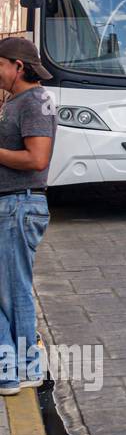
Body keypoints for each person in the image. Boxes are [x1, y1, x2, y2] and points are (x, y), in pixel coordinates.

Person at [0, 38, 56, 395]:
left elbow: (37, 160)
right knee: (6, 288)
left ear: (18, 66)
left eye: (0, 64)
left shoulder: (35, 102)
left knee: (13, 289)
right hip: (11, 205)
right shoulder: (16, 100)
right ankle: (11, 367)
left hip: (19, 206)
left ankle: (24, 366)